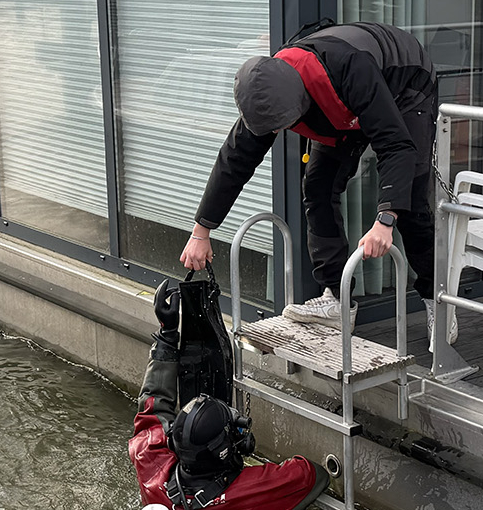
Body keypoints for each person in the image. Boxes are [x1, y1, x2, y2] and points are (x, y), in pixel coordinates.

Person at [180, 22, 439, 331]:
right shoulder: (267, 89)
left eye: (281, 126)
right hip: (342, 101)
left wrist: (386, 219)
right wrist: (201, 231)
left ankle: (435, 299)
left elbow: (395, 146)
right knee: (317, 187)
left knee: (410, 201)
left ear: (300, 104)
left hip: (406, 85)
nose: (276, 132)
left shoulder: (350, 69)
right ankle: (337, 298)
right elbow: (234, 161)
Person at [128, 280, 330, 510]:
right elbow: (314, 474)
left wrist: (167, 334)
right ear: (225, 449)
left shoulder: (151, 461)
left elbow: (152, 402)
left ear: (174, 441)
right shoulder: (257, 490)